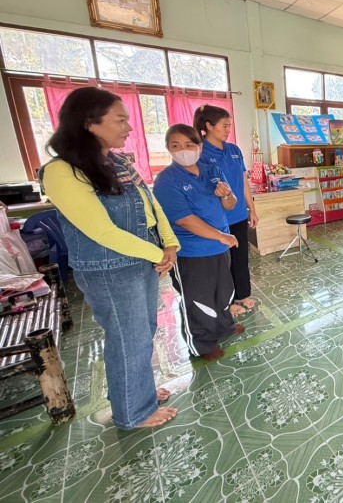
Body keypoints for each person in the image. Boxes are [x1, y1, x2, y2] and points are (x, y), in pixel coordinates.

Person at [40, 87, 178, 429]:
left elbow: (151, 205)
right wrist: (156, 253)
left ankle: (138, 393)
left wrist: (169, 244)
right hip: (110, 269)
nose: (129, 127)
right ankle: (133, 413)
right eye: (120, 120)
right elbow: (102, 231)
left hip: (141, 260)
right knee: (128, 338)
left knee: (142, 333)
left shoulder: (117, 162)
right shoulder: (63, 171)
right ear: (89, 123)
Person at [153, 124, 244, 362]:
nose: (183, 150)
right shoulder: (166, 180)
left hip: (220, 247)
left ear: (199, 147)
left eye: (189, 145)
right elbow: (184, 220)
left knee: (223, 292)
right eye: (176, 146)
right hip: (192, 252)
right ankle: (201, 344)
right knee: (198, 299)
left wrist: (227, 194)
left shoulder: (211, 169)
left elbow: (231, 204)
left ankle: (224, 327)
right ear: (168, 149)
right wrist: (221, 236)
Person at [194, 105, 258, 318]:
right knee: (222, 262)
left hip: (238, 214)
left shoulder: (234, 150)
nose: (228, 130)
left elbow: (243, 181)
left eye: (229, 125)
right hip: (216, 219)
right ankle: (226, 301)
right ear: (209, 126)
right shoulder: (200, 153)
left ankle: (242, 294)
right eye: (224, 126)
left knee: (240, 258)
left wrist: (252, 209)